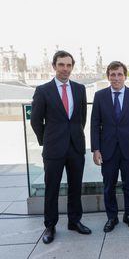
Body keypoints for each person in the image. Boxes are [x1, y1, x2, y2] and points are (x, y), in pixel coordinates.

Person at [31, 50, 91, 244]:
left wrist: (74, 135)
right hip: (53, 148)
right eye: (61, 65)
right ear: (54, 66)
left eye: (68, 65)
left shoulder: (80, 89)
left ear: (72, 67)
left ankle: (74, 221)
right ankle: (50, 226)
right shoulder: (43, 90)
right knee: (52, 188)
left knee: (75, 187)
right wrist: (46, 140)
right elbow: (35, 121)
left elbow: (81, 118)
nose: (65, 69)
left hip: (75, 146)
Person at [91, 61, 129, 232]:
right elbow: (95, 124)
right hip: (107, 149)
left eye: (119, 74)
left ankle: (128, 214)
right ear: (108, 76)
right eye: (113, 74)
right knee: (109, 185)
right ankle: (112, 217)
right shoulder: (99, 96)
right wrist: (95, 149)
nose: (116, 78)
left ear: (125, 76)